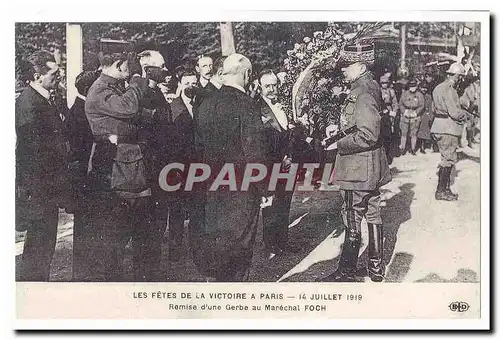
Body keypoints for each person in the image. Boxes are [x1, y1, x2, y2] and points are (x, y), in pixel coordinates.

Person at [85, 50, 163, 281]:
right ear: (119, 66)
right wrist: (139, 80)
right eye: (129, 68)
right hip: (121, 175)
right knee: (119, 240)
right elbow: (129, 109)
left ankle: (143, 282)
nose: (131, 73)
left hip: (132, 171)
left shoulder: (114, 88)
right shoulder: (100, 90)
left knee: (143, 236)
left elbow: (136, 116)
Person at [194, 53, 271, 281]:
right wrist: (265, 188)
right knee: (240, 246)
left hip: (212, 184)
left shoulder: (206, 103)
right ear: (246, 74)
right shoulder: (246, 104)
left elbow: (198, 146)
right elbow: (254, 151)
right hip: (242, 188)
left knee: (218, 241)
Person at [323, 43, 392, 283]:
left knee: (352, 217)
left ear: (361, 66)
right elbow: (364, 126)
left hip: (358, 169)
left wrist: (339, 144)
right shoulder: (368, 86)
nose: (343, 69)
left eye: (348, 65)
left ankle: (346, 271)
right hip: (371, 167)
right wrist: (340, 131)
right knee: (373, 214)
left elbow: (368, 134)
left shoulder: (361, 93)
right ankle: (375, 269)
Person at [16, 50, 69, 281]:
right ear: (38, 76)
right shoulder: (29, 104)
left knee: (44, 246)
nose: (58, 78)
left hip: (46, 188)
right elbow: (32, 153)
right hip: (39, 189)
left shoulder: (42, 98)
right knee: (38, 249)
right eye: (54, 74)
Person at [256, 69, 298, 260]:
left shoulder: (286, 106)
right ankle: (270, 244)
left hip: (289, 164)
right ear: (260, 87)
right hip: (271, 165)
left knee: (285, 203)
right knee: (270, 206)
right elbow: (259, 142)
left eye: (274, 85)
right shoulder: (256, 109)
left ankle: (283, 243)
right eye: (267, 86)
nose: (272, 90)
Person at [67, 69, 101, 281]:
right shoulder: (81, 112)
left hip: (84, 179)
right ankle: (82, 275)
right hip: (84, 180)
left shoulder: (79, 108)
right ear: (89, 90)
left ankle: (85, 272)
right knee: (84, 228)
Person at [163, 68, 199, 262]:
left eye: (194, 83)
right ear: (180, 84)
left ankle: (195, 250)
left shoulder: (201, 104)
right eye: (187, 83)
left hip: (198, 168)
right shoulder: (172, 108)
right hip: (178, 168)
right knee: (176, 213)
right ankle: (175, 252)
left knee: (196, 211)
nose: (191, 86)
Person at [431, 62, 467, 201]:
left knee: (446, 158)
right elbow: (454, 113)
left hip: (438, 126)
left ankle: (445, 189)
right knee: (448, 159)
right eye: (460, 76)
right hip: (448, 128)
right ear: (457, 76)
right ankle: (441, 191)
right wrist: (465, 114)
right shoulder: (450, 90)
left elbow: (434, 108)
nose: (461, 79)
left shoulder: (438, 88)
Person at [399, 79, 425, 155]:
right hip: (405, 115)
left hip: (415, 115)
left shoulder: (419, 95)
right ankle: (403, 148)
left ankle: (413, 149)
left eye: (414, 86)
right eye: (411, 86)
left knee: (414, 133)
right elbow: (400, 104)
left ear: (416, 86)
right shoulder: (404, 94)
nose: (412, 88)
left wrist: (416, 112)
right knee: (404, 133)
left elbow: (422, 105)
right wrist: (404, 112)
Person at [379, 75, 398, 163]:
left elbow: (395, 103)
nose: (384, 85)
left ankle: (389, 154)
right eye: (382, 83)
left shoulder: (391, 91)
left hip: (389, 113)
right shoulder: (378, 91)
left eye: (386, 83)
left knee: (389, 134)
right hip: (381, 113)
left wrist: (394, 112)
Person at [416, 84, 435, 154]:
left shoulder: (429, 97)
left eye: (425, 88)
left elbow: (430, 108)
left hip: (425, 115)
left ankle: (422, 147)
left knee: (424, 131)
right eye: (422, 87)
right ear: (419, 88)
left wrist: (430, 116)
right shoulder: (416, 95)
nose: (424, 89)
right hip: (417, 114)